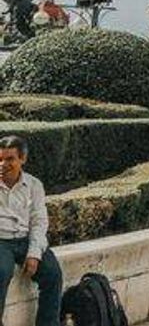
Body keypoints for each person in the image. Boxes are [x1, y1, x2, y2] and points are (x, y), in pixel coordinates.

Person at [0, 135, 63, 325]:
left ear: (22, 159)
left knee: (53, 274)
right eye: (0, 159)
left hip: (25, 238)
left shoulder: (34, 185)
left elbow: (39, 221)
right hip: (1, 241)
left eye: (9, 159)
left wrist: (34, 253)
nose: (3, 164)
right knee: (1, 272)